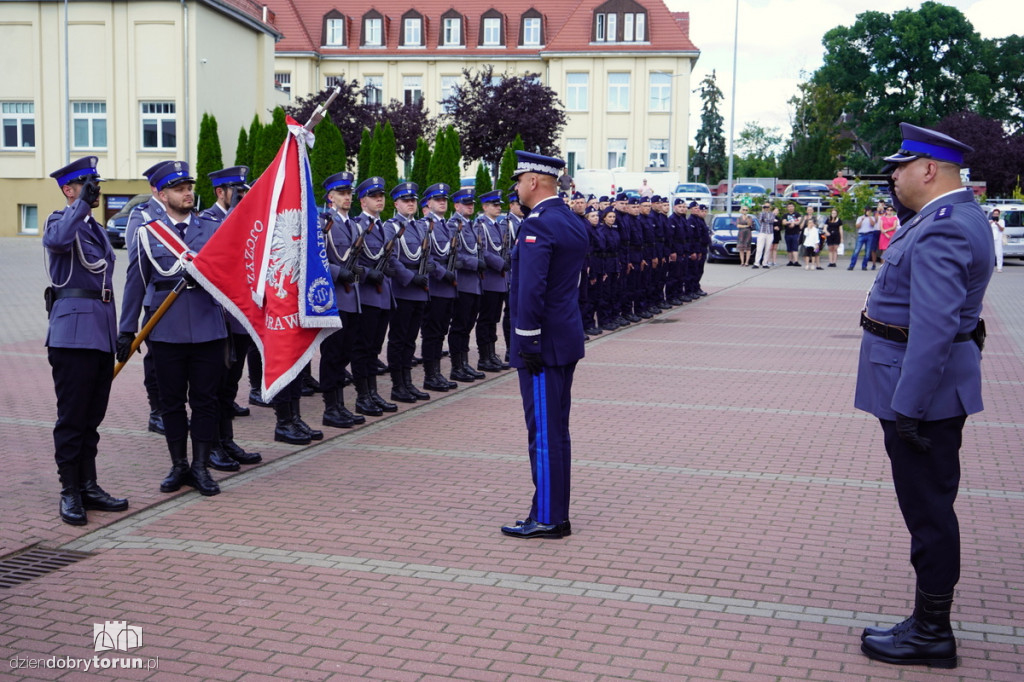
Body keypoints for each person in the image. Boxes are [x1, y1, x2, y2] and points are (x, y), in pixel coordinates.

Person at [855, 123, 993, 669]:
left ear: (929, 169)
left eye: (901, 166)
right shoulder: (950, 218)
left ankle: (932, 632)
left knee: (929, 515)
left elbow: (935, 328)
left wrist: (908, 408)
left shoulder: (944, 228)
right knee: (929, 510)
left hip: (919, 399)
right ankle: (926, 621)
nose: (893, 175)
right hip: (925, 390)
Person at [117, 161, 227, 497]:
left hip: (208, 324)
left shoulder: (211, 228)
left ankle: (201, 467)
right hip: (165, 328)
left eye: (189, 187)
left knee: (207, 401)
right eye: (180, 189)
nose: (187, 193)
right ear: (163, 194)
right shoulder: (147, 231)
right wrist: (126, 330)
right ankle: (179, 465)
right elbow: (135, 281)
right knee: (172, 402)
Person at [501, 151, 588, 539]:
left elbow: (532, 288)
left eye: (519, 180)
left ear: (534, 182)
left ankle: (550, 518)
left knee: (544, 434)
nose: (517, 187)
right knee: (556, 430)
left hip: (543, 346)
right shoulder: (568, 219)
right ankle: (550, 510)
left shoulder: (538, 224)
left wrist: (527, 340)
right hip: (563, 338)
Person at [43, 156, 128, 525]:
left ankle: (89, 484)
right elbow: (60, 240)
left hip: (100, 332)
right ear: (69, 189)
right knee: (72, 417)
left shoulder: (94, 228)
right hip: (73, 335)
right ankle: (69, 491)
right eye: (87, 185)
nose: (94, 191)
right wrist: (78, 205)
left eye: (96, 185)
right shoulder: (59, 221)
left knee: (92, 417)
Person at [199, 166, 262, 470]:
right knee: (214, 384)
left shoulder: (246, 221)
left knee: (230, 385)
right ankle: (212, 445)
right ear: (220, 192)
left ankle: (227, 440)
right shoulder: (207, 222)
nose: (240, 196)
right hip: (220, 317)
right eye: (235, 191)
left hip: (242, 317)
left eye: (243, 191)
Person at [318, 171, 367, 430]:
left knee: (346, 353)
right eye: (342, 193)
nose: (347, 198)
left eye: (349, 193)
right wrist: (339, 272)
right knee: (333, 354)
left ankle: (340, 405)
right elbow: (318, 259)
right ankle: (330, 407)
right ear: (330, 197)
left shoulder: (354, 225)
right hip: (334, 299)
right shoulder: (324, 223)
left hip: (353, 297)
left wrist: (358, 270)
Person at [351, 177, 399, 417]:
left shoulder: (382, 226)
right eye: (374, 196)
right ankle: (363, 396)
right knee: (363, 347)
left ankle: (372, 392)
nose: (380, 199)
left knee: (375, 349)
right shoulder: (358, 225)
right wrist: (371, 274)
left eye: (381, 196)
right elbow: (350, 260)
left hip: (384, 295)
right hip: (368, 294)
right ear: (362, 201)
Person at [383, 182, 434, 402]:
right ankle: (397, 385)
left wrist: (428, 271)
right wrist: (411, 277)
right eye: (406, 200)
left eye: (413, 200)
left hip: (420, 290)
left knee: (411, 340)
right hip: (403, 290)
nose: (411, 204)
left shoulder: (421, 226)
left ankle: (408, 382)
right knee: (399, 338)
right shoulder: (390, 227)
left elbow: (427, 253)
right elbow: (391, 258)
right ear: (396, 204)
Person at [753, 203, 774, 268]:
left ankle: (765, 263)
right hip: (762, 232)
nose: (766, 208)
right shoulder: (761, 213)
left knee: (767, 249)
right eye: (765, 206)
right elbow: (760, 220)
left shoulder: (772, 214)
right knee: (759, 248)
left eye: (768, 207)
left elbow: (772, 220)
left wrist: (765, 220)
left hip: (770, 232)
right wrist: (763, 211)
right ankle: (756, 263)